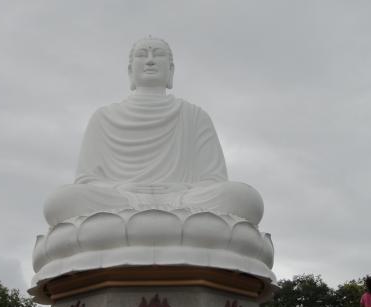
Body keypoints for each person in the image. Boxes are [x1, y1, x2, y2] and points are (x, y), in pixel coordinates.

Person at [43, 37, 264, 227]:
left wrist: (179, 191)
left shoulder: (194, 115)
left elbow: (213, 181)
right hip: (120, 200)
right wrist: (123, 189)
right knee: (61, 201)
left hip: (183, 200)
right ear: (130, 70)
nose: (149, 60)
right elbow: (88, 181)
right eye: (142, 55)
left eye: (158, 55)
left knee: (241, 198)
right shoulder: (103, 117)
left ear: (171, 70)